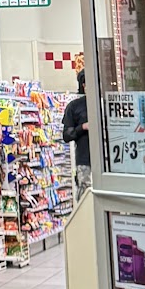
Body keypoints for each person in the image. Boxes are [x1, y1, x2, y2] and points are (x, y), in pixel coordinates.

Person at [62, 53, 93, 197]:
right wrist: (83, 127)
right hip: (84, 160)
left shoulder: (104, 103)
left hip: (108, 160)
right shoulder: (74, 106)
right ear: (83, 85)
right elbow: (66, 135)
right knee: (85, 195)